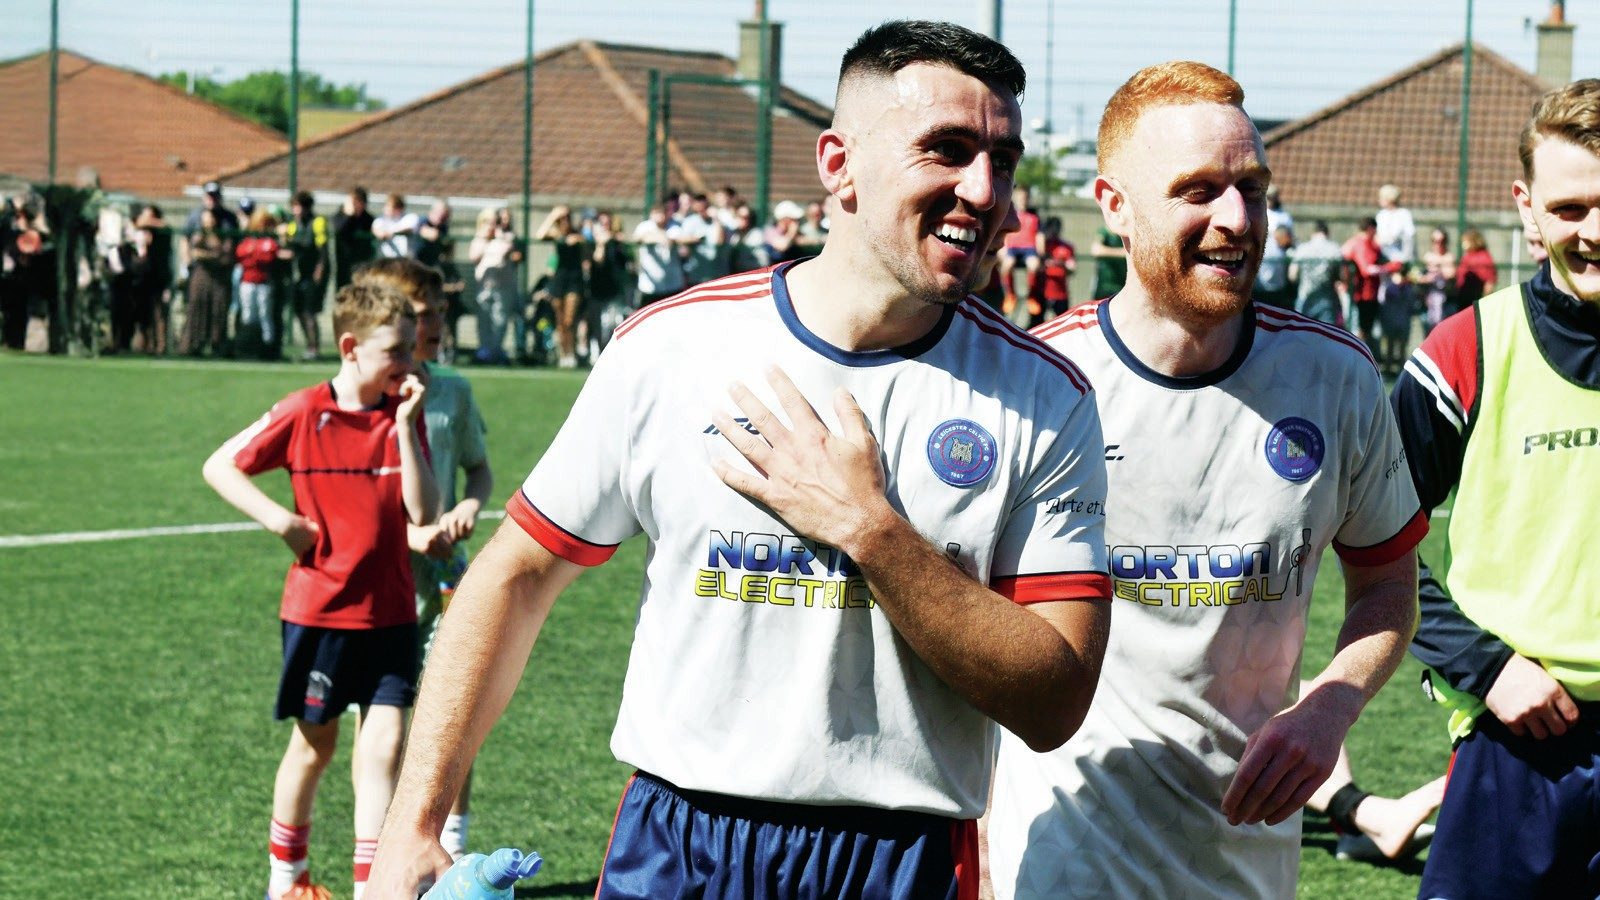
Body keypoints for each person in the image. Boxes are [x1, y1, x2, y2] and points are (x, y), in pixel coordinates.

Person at [367, 19, 1113, 898]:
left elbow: (1055, 699)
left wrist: (870, 532)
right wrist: (413, 827)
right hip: (680, 842)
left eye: (1004, 160)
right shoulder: (673, 347)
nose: (986, 192)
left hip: (898, 858)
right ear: (838, 165)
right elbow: (516, 576)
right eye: (946, 150)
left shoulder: (1043, 398)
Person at [990, 60, 1425, 899]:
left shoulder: (1333, 377)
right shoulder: (1039, 381)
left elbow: (1386, 590)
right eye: (1198, 191)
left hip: (1247, 859)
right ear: (1114, 205)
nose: (1237, 219)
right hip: (1056, 863)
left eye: (1252, 188)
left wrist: (1330, 705)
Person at [1393, 77, 1600, 900]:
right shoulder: (1466, 349)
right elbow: (1369, 541)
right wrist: (1485, 666)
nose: (1596, 232)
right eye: (1571, 208)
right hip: (1518, 737)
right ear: (1526, 207)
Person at [202, 281, 439, 900]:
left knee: (385, 744)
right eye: (395, 351)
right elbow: (220, 464)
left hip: (389, 612)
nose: (408, 364)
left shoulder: (400, 416)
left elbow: (422, 511)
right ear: (350, 347)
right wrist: (279, 520)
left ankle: (372, 889)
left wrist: (410, 427)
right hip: (322, 613)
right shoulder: (305, 411)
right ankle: (287, 882)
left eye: (412, 350)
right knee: (314, 747)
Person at [353, 258, 493, 861]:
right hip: (381, 581)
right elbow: (349, 498)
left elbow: (479, 470)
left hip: (446, 577)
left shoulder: (453, 391)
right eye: (418, 311)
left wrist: (466, 506)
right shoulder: (363, 398)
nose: (433, 322)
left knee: (454, 716)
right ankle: (380, 849)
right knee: (382, 723)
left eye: (438, 309)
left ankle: (452, 849)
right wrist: (404, 537)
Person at [467, 207, 521, 365]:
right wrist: (486, 242)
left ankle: (496, 352)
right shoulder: (480, 239)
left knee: (500, 321)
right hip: (484, 286)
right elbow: (474, 256)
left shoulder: (507, 237)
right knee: (484, 321)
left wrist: (497, 239)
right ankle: (484, 351)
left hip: (503, 286)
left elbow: (502, 254)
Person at [535, 205, 586, 368]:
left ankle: (571, 352)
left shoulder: (577, 235)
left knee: (569, 319)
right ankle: (563, 353)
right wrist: (552, 216)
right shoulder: (556, 235)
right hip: (559, 279)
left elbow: (585, 247)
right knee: (560, 320)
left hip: (574, 280)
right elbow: (539, 235)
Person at [180, 208, 234, 356]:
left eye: (210, 217)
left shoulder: (224, 231)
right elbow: (195, 253)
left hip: (219, 277)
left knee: (219, 309)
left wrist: (209, 255)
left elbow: (225, 255)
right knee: (197, 307)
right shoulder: (199, 234)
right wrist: (211, 255)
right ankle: (193, 345)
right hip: (201, 274)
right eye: (205, 217)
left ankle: (217, 345)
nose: (208, 220)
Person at [284, 192, 330, 361]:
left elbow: (323, 251)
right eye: (295, 206)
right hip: (300, 273)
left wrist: (319, 272)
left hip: (313, 274)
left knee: (309, 311)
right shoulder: (293, 225)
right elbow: (290, 246)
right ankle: (308, 344)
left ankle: (314, 347)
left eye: (300, 206)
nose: (297, 210)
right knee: (298, 310)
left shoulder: (317, 223)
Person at [237, 208, 283, 356]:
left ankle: (267, 347)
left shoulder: (269, 242)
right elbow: (241, 255)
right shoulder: (248, 241)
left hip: (263, 283)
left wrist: (254, 254)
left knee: (265, 315)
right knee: (248, 315)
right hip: (247, 282)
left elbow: (267, 257)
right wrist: (256, 254)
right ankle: (249, 344)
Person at [998, 185, 1043, 325]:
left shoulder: (1034, 217)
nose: (1023, 200)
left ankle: (1032, 296)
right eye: (1020, 197)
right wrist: (1003, 248)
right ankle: (1011, 294)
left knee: (1034, 265)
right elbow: (1003, 232)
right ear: (1015, 198)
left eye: (1025, 198)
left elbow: (1039, 235)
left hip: (1028, 248)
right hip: (1012, 248)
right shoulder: (1009, 214)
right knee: (1007, 265)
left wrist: (1041, 249)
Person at [1290, 220, 1347, 326]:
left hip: (1305, 296)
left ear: (1313, 233)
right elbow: (1343, 275)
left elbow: (1292, 275)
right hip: (1327, 299)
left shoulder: (1302, 248)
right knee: (1326, 335)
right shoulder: (1334, 249)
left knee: (1301, 333)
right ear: (1327, 233)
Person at [1343, 217, 1386, 349]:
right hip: (1360, 295)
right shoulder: (1361, 244)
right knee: (1359, 331)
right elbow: (1366, 269)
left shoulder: (1358, 243)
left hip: (1364, 294)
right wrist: (1389, 267)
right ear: (1371, 229)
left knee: (1362, 330)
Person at [631, 204, 686, 306]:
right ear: (652, 214)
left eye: (663, 213)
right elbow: (636, 238)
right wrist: (656, 238)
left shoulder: (674, 226)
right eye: (657, 213)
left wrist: (670, 239)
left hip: (672, 284)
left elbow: (683, 238)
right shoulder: (645, 226)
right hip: (650, 286)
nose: (661, 216)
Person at [333, 187, 377, 289]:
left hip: (362, 262)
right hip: (343, 263)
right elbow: (339, 230)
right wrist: (349, 215)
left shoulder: (368, 219)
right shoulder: (340, 216)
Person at [1420, 227, 1456, 333]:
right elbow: (1420, 277)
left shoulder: (1449, 257)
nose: (1438, 244)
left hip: (1446, 304)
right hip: (1429, 304)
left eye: (1441, 241)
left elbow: (1451, 274)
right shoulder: (1427, 256)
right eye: (1435, 241)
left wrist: (1438, 267)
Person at [1454, 228, 1497, 309]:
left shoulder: (1484, 257)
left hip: (1475, 301)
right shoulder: (1467, 256)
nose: (1464, 243)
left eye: (1466, 241)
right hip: (1462, 298)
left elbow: (1490, 282)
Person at [1375, 184, 1416, 265]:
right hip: (1384, 258)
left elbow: (1410, 235)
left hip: (1401, 258)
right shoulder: (1381, 215)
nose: (1379, 200)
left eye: (1381, 197)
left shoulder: (1404, 214)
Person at [372, 195, 420, 260]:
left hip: (406, 260)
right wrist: (382, 234)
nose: (386, 209)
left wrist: (393, 233)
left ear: (399, 209)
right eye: (386, 206)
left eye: (390, 206)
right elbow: (377, 231)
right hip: (386, 260)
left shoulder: (410, 217)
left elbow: (409, 229)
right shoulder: (380, 220)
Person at [1089, 222, 1126, 299]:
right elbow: (1096, 250)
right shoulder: (1104, 232)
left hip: (1122, 288)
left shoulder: (1125, 235)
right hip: (1103, 288)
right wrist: (1123, 252)